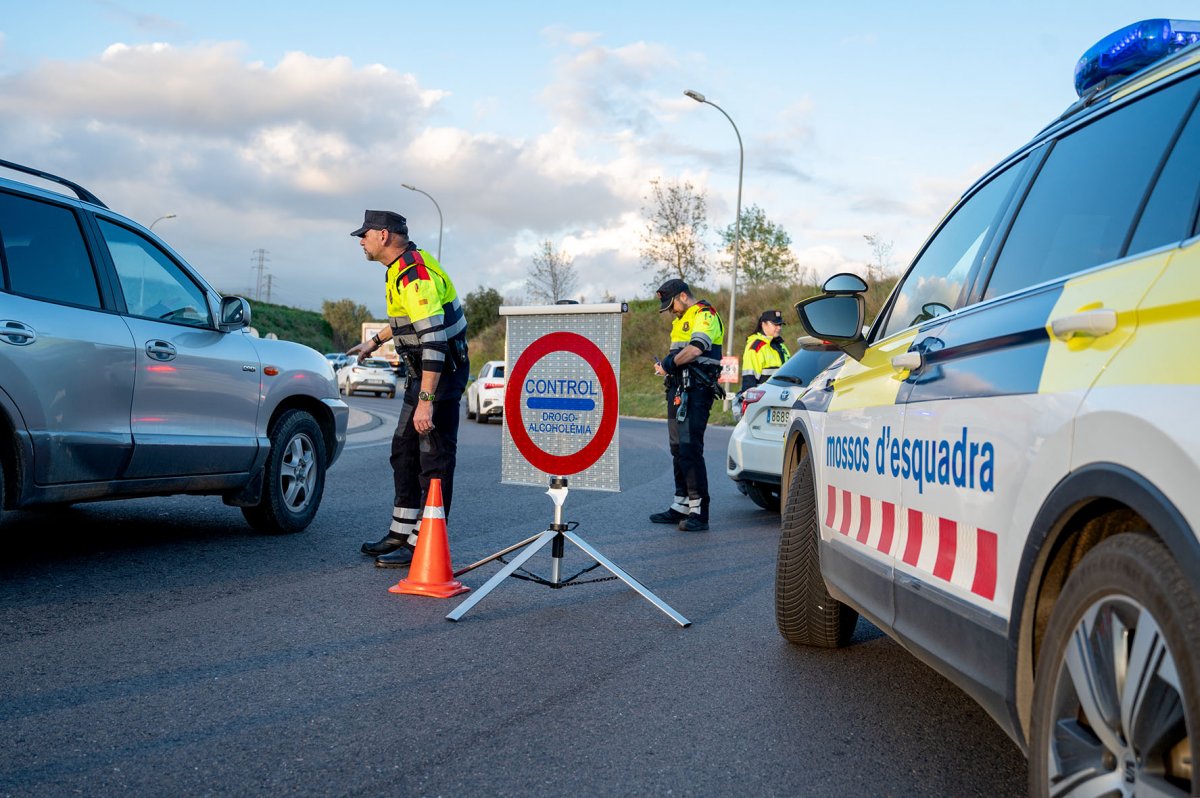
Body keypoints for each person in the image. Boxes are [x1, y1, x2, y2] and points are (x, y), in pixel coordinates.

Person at [347, 210, 470, 567]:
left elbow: (434, 342)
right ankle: (402, 531)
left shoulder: (416, 275)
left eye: (364, 235)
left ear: (383, 235)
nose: (361, 241)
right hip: (423, 373)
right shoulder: (400, 270)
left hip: (441, 373)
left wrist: (426, 403)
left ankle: (425, 543)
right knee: (404, 449)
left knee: (433, 456)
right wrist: (375, 342)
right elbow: (405, 320)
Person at [649, 279, 724, 532]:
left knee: (691, 448)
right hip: (679, 389)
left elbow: (695, 350)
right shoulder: (680, 321)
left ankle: (699, 512)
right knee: (677, 448)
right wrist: (666, 369)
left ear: (683, 296)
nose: (670, 310)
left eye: (671, 304)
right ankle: (681, 504)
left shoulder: (705, 314)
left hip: (697, 390)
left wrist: (669, 364)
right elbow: (681, 356)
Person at [740, 309, 790, 391]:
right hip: (764, 400)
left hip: (782, 396)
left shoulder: (781, 346)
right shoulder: (756, 347)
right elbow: (749, 380)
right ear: (763, 324)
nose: (779, 328)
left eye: (780, 324)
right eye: (775, 324)